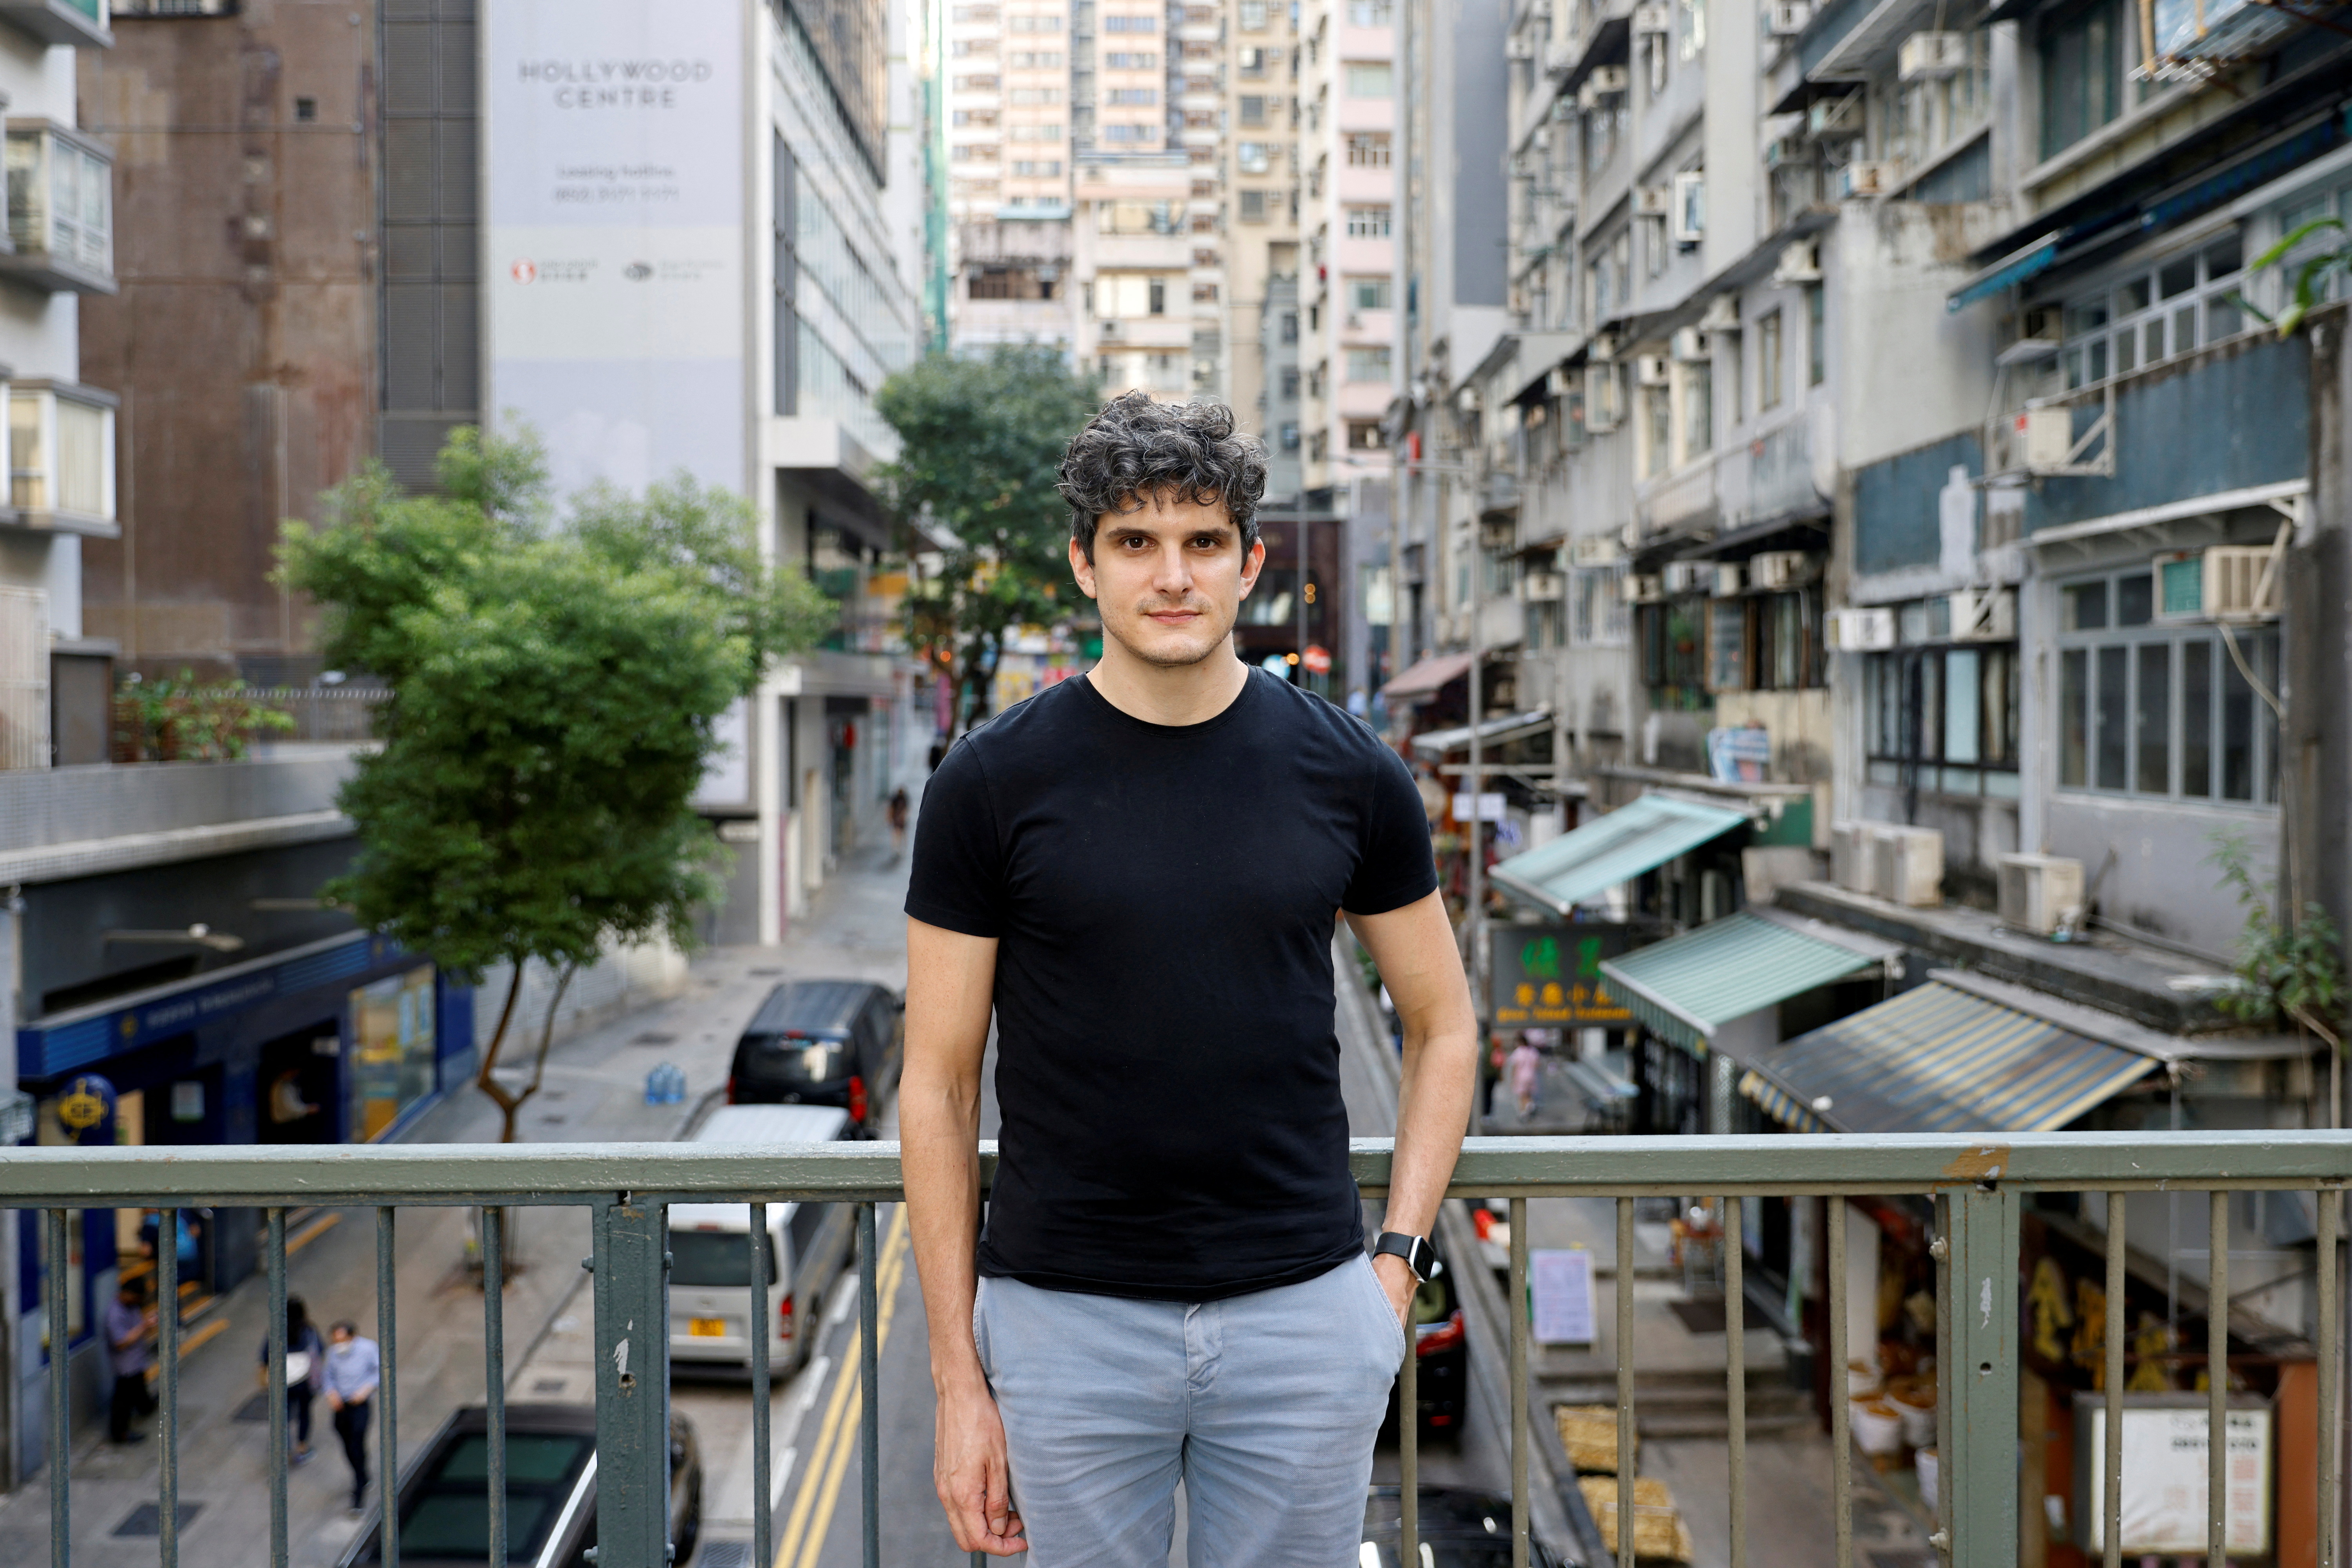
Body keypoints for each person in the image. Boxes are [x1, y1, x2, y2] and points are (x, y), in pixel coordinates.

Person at [902, 393, 1479, 1564]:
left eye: (1201, 541)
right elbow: (936, 1085)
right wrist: (960, 1380)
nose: (1171, 575)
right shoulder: (989, 783)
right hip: (1063, 1326)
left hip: (1302, 1321)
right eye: (1135, 541)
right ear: (1083, 563)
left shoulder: (1349, 770)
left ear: (1249, 561)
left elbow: (1442, 1025)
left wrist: (1395, 1268)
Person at [321, 1321, 382, 1513]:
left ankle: (359, 1491)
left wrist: (365, 1390)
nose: (339, 1343)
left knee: (356, 1442)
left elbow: (380, 1370)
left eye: (342, 1339)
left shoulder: (368, 1349)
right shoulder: (333, 1353)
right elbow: (328, 1376)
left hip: (359, 1404)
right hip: (342, 1405)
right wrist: (332, 1393)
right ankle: (362, 1472)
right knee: (347, 1444)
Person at [258, 1296, 323, 1465]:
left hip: (282, 1381)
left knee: (282, 1416)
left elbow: (265, 1356)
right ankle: (302, 1447)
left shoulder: (275, 1331)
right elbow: (320, 1351)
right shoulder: (309, 1330)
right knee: (304, 1413)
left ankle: (284, 1451)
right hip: (305, 1382)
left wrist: (263, 1379)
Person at [105, 1279, 158, 1444]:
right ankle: (120, 1433)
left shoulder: (132, 1306)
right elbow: (121, 1342)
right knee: (123, 1399)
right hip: (125, 1365)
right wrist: (144, 1327)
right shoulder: (115, 1315)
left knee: (139, 1386)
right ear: (126, 1294)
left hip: (136, 1361)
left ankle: (146, 1407)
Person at [887, 785, 911, 860]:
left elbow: (906, 809)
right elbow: (891, 809)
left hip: (901, 820)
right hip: (898, 820)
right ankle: (897, 848)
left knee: (901, 834)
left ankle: (899, 848)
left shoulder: (903, 799)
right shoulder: (898, 799)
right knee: (897, 834)